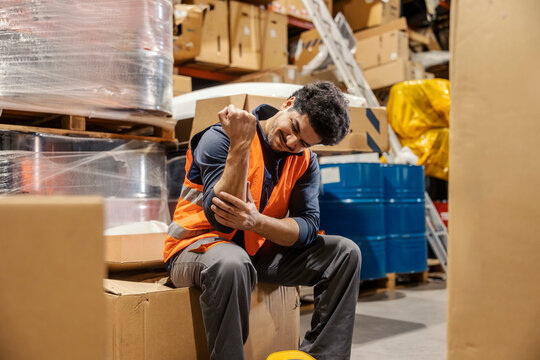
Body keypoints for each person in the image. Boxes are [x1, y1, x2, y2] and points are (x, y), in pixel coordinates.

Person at [164, 81, 362, 360]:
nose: (292, 143)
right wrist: (240, 145)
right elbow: (221, 219)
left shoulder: (304, 161)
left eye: (304, 142)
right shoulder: (221, 137)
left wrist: (257, 223)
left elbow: (306, 227)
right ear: (288, 104)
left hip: (256, 252)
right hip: (196, 248)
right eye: (293, 128)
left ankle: (322, 356)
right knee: (233, 262)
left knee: (345, 253)